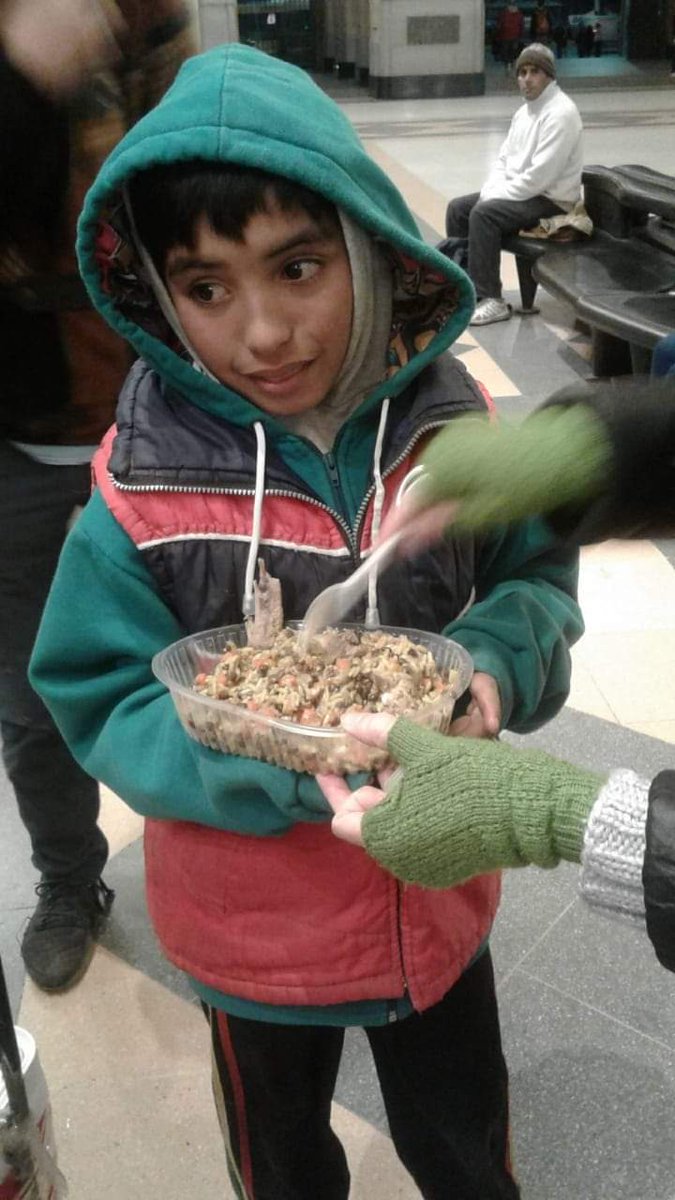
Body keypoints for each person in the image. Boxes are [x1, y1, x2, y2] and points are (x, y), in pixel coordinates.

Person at [29, 43, 584, 1198]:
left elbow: (535, 583)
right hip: (252, 942)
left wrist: (490, 667)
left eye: (297, 267)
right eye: (208, 289)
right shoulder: (142, 482)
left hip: (435, 901)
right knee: (284, 1169)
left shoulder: (454, 429)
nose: (265, 334)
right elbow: (98, 690)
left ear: (367, 246)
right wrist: (282, 756)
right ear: (157, 293)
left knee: (466, 1155)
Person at [317, 370, 675, 976]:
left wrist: (558, 812)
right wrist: (602, 451)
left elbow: (536, 585)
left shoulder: (449, 406)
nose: (267, 334)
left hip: (442, 937)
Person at [0, 0, 195, 993]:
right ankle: (71, 878)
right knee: (36, 699)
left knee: (221, 664)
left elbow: (196, 186)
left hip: (174, 421)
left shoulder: (141, 16)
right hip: (22, 440)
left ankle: (235, 870)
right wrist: (20, 80)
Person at [444, 43, 583, 326]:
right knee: (458, 209)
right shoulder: (524, 112)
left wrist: (493, 198)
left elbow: (540, 177)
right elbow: (504, 160)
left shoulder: (561, 113)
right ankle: (466, 289)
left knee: (485, 215)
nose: (526, 79)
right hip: (524, 192)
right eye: (522, 72)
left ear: (549, 76)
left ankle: (492, 298)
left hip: (552, 199)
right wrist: (491, 190)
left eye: (534, 72)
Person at [496, 3, 525, 72]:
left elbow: (499, 25)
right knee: (513, 50)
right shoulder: (519, 14)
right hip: (515, 35)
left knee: (506, 50)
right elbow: (521, 25)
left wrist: (498, 34)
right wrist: (521, 34)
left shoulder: (504, 14)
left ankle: (508, 64)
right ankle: (512, 62)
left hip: (505, 35)